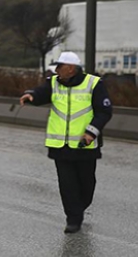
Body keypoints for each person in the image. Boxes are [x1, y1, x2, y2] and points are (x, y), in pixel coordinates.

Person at [19, 51, 113, 234]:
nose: (57, 70)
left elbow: (104, 111)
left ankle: (79, 207)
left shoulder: (93, 84)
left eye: (60, 66)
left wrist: (91, 132)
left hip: (84, 144)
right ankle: (73, 219)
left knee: (87, 184)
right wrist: (31, 95)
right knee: (67, 184)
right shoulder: (53, 83)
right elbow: (41, 93)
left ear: (71, 69)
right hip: (60, 146)